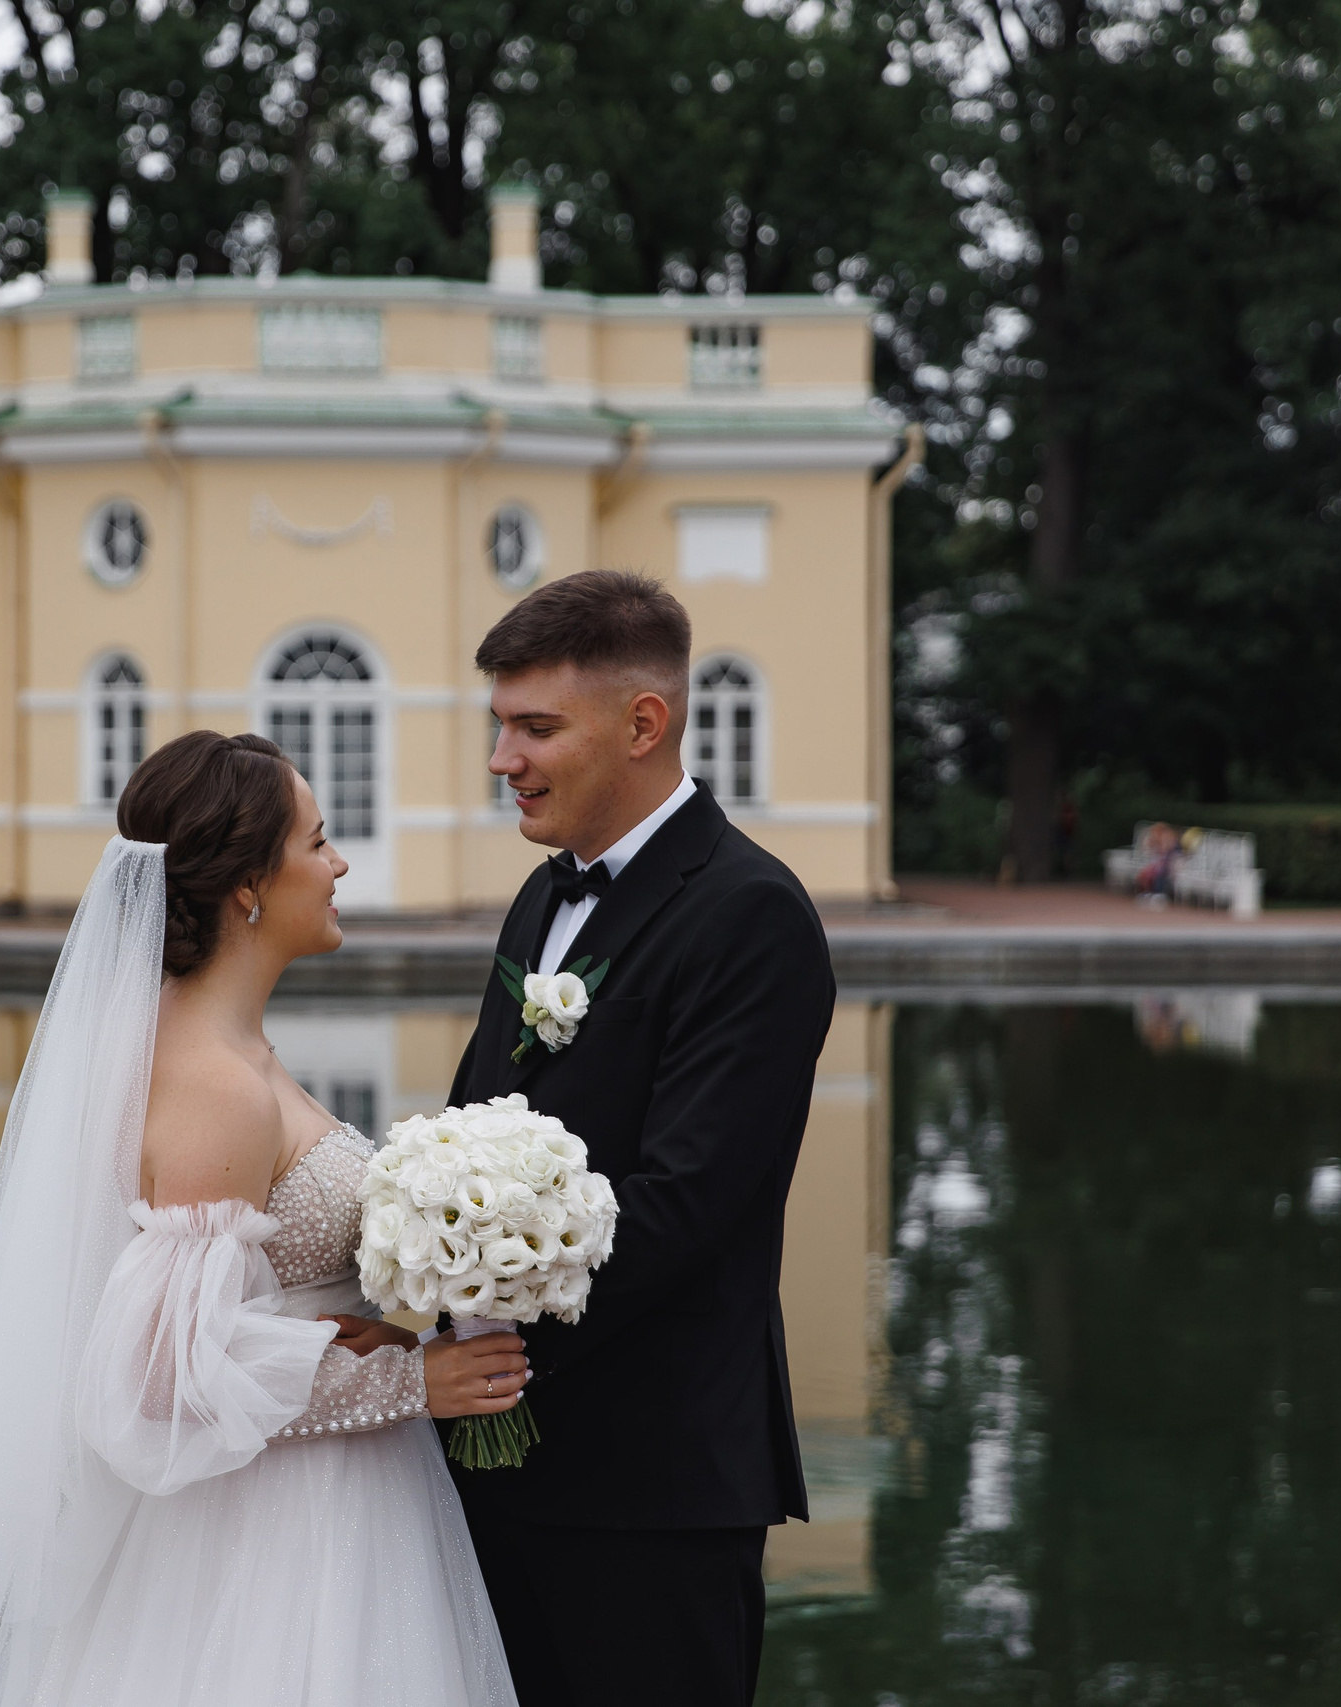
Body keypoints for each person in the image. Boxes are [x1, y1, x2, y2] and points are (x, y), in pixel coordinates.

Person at [0, 730, 525, 1707]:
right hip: (273, 1541)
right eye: (317, 842)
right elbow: (162, 1375)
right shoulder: (217, 1087)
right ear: (247, 887)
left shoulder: (221, 1050)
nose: (338, 864)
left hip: (309, 1501)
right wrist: (406, 1381)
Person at [448, 571, 838, 1707]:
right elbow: (475, 1129)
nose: (501, 760)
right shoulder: (539, 899)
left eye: (534, 728)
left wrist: (476, 1311)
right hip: (497, 1461)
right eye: (499, 727)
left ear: (642, 724)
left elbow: (682, 1206)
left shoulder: (749, 914)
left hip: (654, 1487)